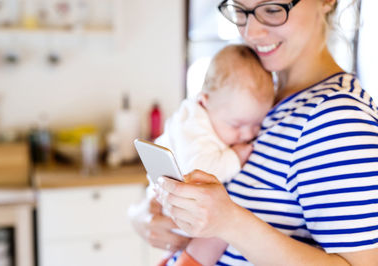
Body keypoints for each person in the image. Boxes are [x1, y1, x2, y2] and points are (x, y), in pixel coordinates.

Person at [131, 0, 378, 265]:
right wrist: (143, 216)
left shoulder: (338, 121)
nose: (251, 32)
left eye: (272, 9)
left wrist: (230, 222)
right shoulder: (256, 99)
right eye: (240, 10)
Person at [153, 44, 274, 265]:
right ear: (205, 101)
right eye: (236, 125)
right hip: (172, 204)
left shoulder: (207, 115)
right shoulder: (194, 128)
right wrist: (234, 158)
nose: (247, 134)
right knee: (218, 234)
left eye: (257, 124)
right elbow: (201, 170)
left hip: (175, 204)